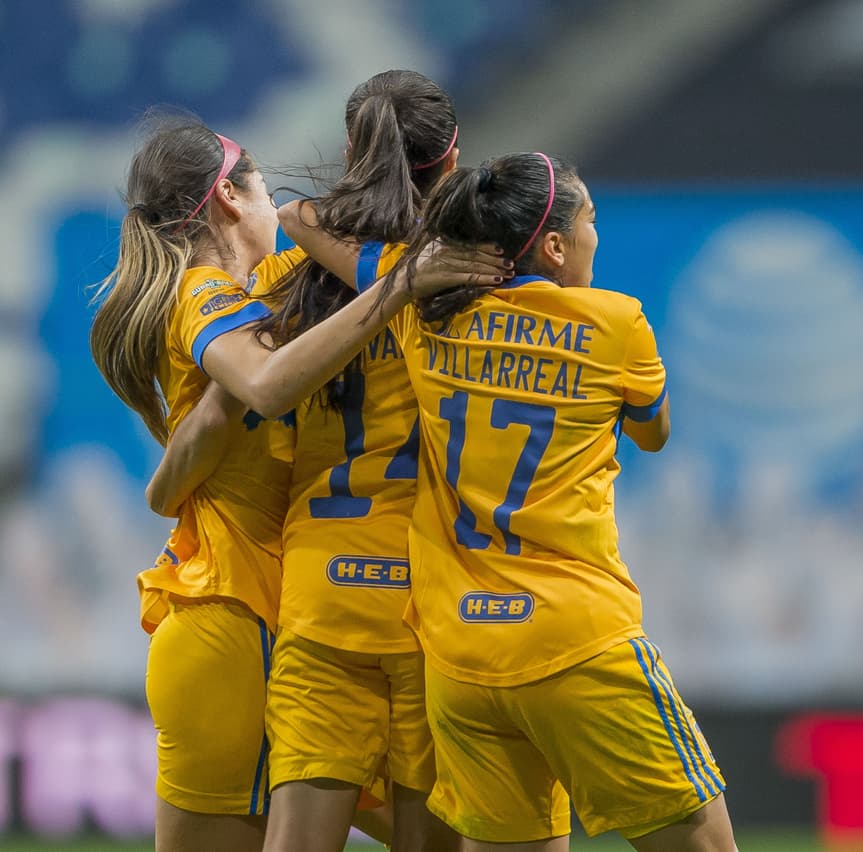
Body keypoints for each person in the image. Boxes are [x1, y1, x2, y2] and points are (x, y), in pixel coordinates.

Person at [286, 152, 739, 851]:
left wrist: (418, 271)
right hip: (578, 641)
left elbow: (300, 220)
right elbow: (655, 433)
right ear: (556, 247)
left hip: (462, 661)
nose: (596, 236)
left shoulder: (422, 316)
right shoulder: (617, 325)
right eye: (590, 222)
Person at [88, 114, 506, 852]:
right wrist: (405, 282)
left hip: (276, 627)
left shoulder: (264, 295)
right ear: (227, 200)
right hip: (234, 623)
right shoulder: (204, 293)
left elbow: (305, 227)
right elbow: (268, 384)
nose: (271, 204)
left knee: (448, 832)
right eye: (258, 185)